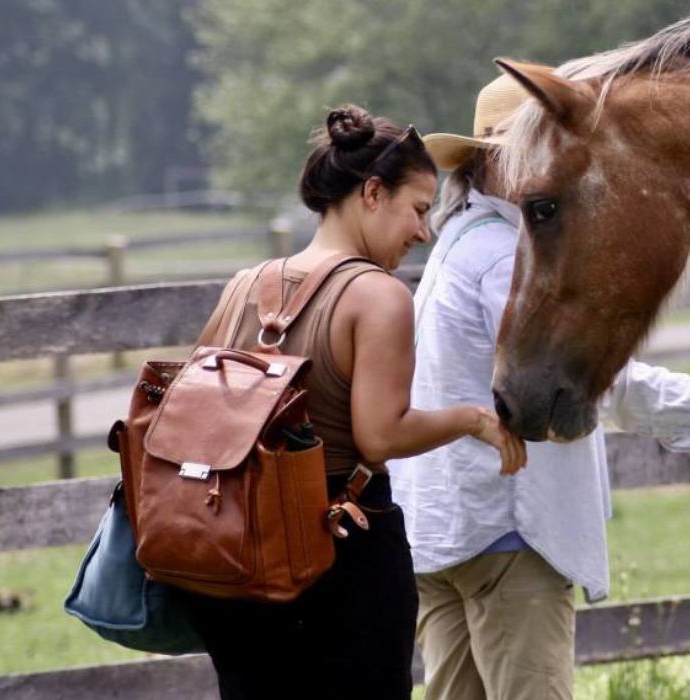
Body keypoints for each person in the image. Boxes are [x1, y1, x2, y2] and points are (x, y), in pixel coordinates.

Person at [390, 75, 690, 700]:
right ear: (493, 158)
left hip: (442, 528)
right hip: (509, 527)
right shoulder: (505, 257)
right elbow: (600, 383)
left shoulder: (458, 241)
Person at [181, 104, 526, 700]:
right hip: (340, 552)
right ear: (372, 192)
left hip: (234, 558)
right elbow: (381, 436)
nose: (423, 232)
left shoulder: (245, 284)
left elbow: (199, 407)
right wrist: (472, 419)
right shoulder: (378, 296)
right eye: (418, 209)